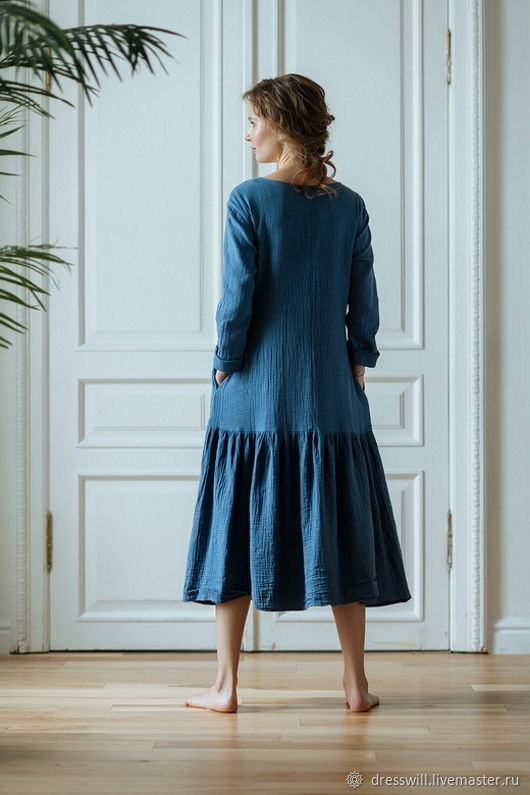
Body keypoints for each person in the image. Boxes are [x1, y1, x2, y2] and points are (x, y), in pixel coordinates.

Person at [182, 74, 412, 714]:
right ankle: (355, 685)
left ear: (280, 124)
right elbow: (364, 295)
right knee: (343, 524)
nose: (248, 134)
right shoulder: (350, 205)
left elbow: (238, 296)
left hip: (256, 388)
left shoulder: (249, 198)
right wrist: (359, 357)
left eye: (254, 120)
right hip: (330, 391)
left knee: (235, 527)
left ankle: (226, 686)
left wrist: (226, 361)